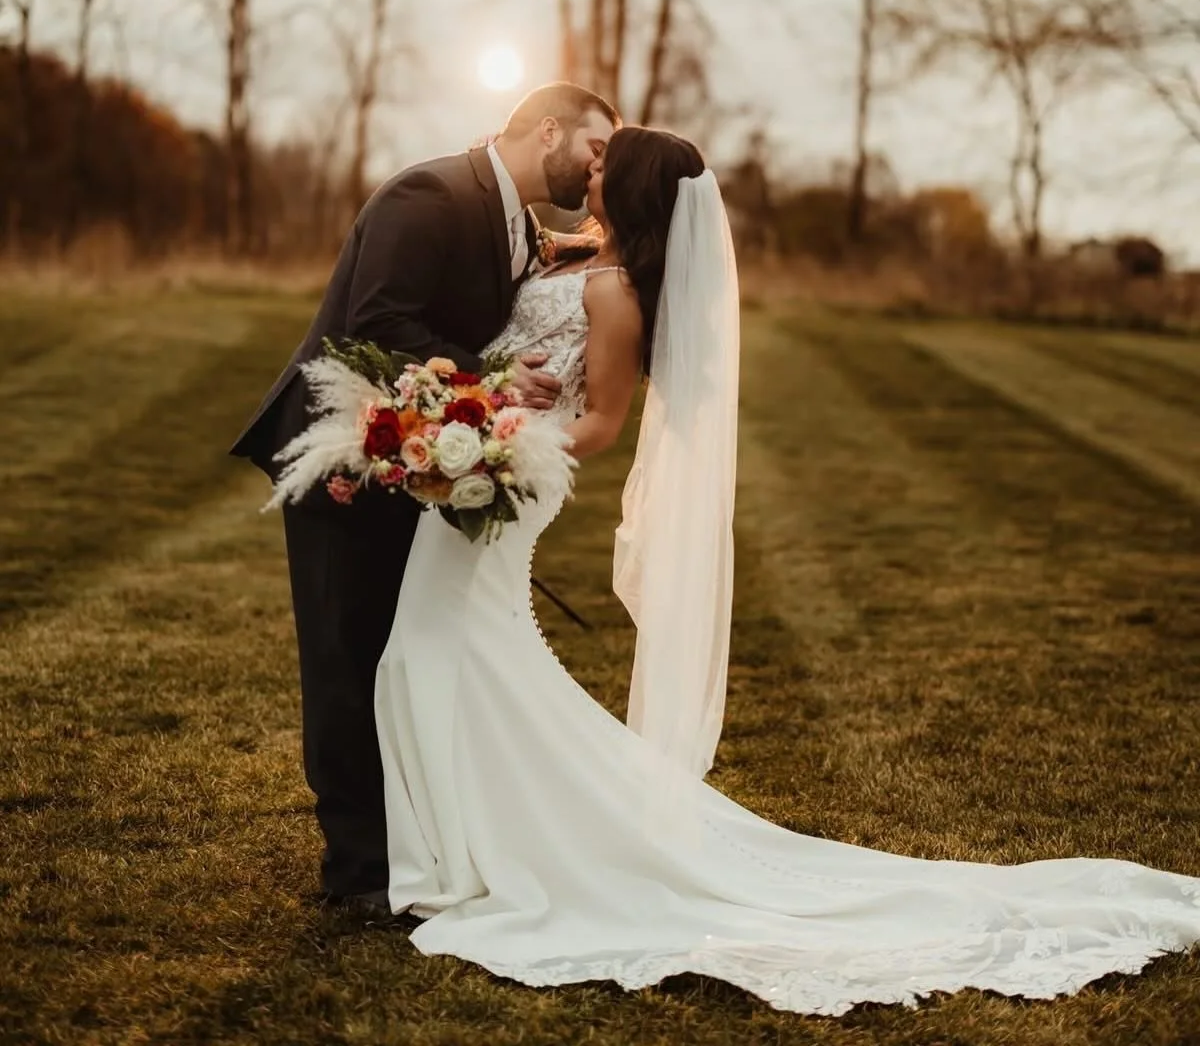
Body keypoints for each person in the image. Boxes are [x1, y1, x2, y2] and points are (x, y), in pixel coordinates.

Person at [373, 124, 1200, 1015]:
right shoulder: (572, 255)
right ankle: (462, 846)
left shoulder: (614, 292)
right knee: (442, 651)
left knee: (432, 647)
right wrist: (475, 401)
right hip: (486, 455)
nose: (591, 166)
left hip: (513, 474)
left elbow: (604, 422)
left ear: (638, 189)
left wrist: (494, 446)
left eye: (609, 163)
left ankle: (466, 855)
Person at [231, 82, 618, 907]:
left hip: (415, 464)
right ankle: (358, 874)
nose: (596, 170)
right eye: (593, 149)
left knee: (400, 661)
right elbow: (374, 324)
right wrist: (499, 382)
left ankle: (412, 847)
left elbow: (495, 284)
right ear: (547, 129)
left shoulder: (515, 223)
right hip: (347, 463)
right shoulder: (429, 193)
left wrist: (575, 258)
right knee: (347, 660)